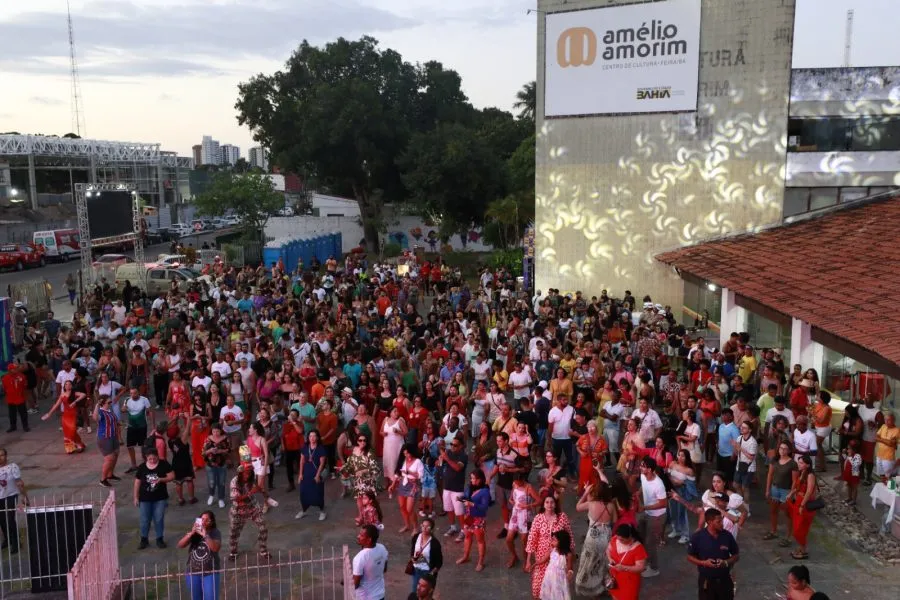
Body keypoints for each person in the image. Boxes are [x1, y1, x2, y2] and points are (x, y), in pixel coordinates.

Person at [525, 494, 574, 600]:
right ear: (543, 504)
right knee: (537, 587)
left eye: (552, 502)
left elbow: (569, 536)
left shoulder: (562, 517)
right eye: (547, 502)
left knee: (555, 588)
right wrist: (528, 560)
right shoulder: (538, 518)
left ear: (555, 504)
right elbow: (531, 539)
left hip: (559, 555)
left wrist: (571, 556)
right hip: (541, 554)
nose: (549, 505)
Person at [574, 478, 617, 597]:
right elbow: (615, 520)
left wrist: (586, 492)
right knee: (602, 563)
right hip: (606, 536)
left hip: (592, 537)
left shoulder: (591, 504)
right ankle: (603, 586)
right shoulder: (611, 506)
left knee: (589, 562)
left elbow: (578, 507)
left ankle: (589, 587)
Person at [687, 508, 740, 600]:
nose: (722, 524)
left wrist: (726, 562)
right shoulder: (698, 537)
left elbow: (736, 555)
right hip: (706, 581)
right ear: (709, 522)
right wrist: (704, 563)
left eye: (722, 521)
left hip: (725, 580)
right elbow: (689, 556)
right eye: (718, 522)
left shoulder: (727, 535)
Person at [134, 449, 174, 549]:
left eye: (154, 458)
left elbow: (172, 476)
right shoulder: (142, 467)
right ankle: (144, 539)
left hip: (160, 498)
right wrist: (136, 497)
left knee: (159, 518)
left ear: (157, 456)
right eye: (150, 459)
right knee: (144, 519)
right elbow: (137, 482)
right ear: (146, 458)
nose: (152, 460)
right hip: (144, 498)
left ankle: (159, 538)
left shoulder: (164, 464)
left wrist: (161, 479)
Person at [177, 510, 222, 600]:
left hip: (210, 572)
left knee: (210, 597)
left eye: (207, 520)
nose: (204, 522)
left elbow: (215, 548)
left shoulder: (215, 532)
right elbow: (180, 545)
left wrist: (205, 535)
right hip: (193, 571)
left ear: (211, 522)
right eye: (202, 519)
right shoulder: (195, 533)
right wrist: (191, 534)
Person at [228, 464, 269, 560]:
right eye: (246, 473)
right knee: (234, 532)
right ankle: (233, 552)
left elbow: (258, 488)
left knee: (263, 527)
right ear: (241, 473)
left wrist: (266, 496)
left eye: (250, 473)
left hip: (252, 506)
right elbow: (237, 499)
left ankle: (263, 550)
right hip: (238, 510)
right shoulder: (234, 482)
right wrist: (251, 492)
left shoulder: (251, 478)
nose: (248, 475)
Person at [455, 468, 491, 571]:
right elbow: (466, 497)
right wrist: (461, 499)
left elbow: (484, 507)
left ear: (480, 479)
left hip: (478, 518)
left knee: (480, 540)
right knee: (467, 536)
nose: (472, 480)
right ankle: (466, 556)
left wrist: (472, 504)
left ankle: (480, 562)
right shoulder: (470, 487)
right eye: (471, 478)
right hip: (469, 517)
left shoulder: (485, 491)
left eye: (474, 478)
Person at [636, 456, 665, 577]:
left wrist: (645, 508)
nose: (640, 467)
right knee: (641, 536)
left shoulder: (658, 484)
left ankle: (654, 568)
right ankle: (646, 561)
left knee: (650, 542)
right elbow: (643, 485)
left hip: (657, 516)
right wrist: (639, 492)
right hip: (647, 513)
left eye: (643, 466)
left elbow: (663, 503)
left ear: (650, 469)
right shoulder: (643, 476)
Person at [505, 471, 542, 569]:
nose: (517, 484)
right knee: (508, 539)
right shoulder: (514, 484)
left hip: (525, 515)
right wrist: (511, 501)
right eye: (515, 482)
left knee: (524, 540)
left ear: (522, 480)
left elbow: (539, 501)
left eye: (518, 482)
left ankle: (526, 561)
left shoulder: (529, 487)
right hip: (515, 514)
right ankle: (514, 556)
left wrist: (527, 506)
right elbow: (512, 497)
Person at [764, 440, 798, 544]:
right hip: (775, 488)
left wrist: (791, 493)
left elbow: (795, 481)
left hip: (786, 490)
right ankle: (773, 531)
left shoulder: (792, 464)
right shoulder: (774, 460)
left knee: (787, 514)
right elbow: (770, 475)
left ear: (789, 451)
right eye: (781, 448)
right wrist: (767, 489)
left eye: (785, 449)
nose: (782, 451)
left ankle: (789, 536)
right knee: (773, 511)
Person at [41, 380, 87, 453]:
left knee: (73, 430)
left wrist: (75, 402)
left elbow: (83, 394)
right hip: (65, 416)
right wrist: (49, 413)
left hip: (73, 414)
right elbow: (56, 405)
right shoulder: (62, 395)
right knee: (67, 432)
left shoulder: (74, 393)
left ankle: (79, 445)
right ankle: (70, 448)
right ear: (64, 386)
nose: (68, 386)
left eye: (69, 384)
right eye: (66, 384)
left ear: (72, 386)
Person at [787, 455, 818, 560]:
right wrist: (791, 493)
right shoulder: (802, 473)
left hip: (804, 504)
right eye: (799, 462)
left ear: (807, 465)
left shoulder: (810, 475)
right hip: (798, 502)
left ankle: (803, 549)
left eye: (801, 463)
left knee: (800, 528)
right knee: (797, 526)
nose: (799, 464)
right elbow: (798, 487)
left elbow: (809, 491)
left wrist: (802, 505)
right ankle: (801, 547)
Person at [605, 523, 647, 600]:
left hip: (629, 582)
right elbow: (608, 549)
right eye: (618, 538)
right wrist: (610, 558)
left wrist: (624, 568)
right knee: (615, 596)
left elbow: (640, 567)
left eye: (622, 540)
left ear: (630, 536)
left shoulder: (638, 548)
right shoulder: (615, 538)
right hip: (615, 578)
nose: (619, 540)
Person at [0, 449, 29, 554]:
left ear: (6, 456)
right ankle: (7, 539)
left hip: (11, 495)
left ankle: (16, 542)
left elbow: (19, 483)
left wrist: (24, 496)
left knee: (10, 519)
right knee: (2, 520)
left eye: (2, 455)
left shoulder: (12, 467)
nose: (0, 458)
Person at [390, 443, 423, 533]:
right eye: (404, 453)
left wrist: (409, 473)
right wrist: (392, 485)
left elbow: (420, 475)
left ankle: (415, 527)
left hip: (412, 486)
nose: (406, 455)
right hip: (402, 484)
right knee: (402, 507)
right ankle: (407, 525)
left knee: (409, 509)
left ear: (411, 452)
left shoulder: (418, 461)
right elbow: (397, 473)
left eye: (407, 453)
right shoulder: (403, 460)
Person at [439, 435, 468, 540]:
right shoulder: (449, 453)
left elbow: (457, 468)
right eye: (451, 444)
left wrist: (447, 459)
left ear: (461, 446)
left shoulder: (463, 456)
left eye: (455, 445)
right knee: (449, 509)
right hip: (447, 486)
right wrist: (440, 459)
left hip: (457, 488)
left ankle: (463, 530)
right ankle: (453, 527)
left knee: (459, 512)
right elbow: (440, 463)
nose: (452, 447)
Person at [352, 524, 389, 600]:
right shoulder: (382, 548)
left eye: (361, 535)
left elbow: (355, 585)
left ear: (369, 539)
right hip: (380, 595)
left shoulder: (360, 558)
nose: (358, 536)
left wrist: (346, 581)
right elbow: (384, 569)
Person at [297, 429, 327, 521]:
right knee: (303, 492)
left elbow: (322, 464)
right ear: (308, 437)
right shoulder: (305, 447)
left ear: (317, 437)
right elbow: (302, 461)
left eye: (314, 436)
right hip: (306, 472)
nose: (312, 438)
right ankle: (304, 510)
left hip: (316, 472)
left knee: (318, 493)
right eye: (310, 436)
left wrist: (317, 475)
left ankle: (322, 511)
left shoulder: (321, 449)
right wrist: (300, 474)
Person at [123, 387, 155, 473]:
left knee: (143, 446)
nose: (133, 395)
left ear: (138, 393)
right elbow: (122, 409)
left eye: (135, 393)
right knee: (130, 446)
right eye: (131, 393)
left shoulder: (144, 400)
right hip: (131, 426)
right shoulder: (127, 400)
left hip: (142, 426)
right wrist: (124, 408)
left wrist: (153, 426)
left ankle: (146, 464)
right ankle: (134, 465)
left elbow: (150, 412)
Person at [408, 517, 443, 594]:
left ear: (431, 529)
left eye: (427, 526)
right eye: (423, 526)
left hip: (427, 572)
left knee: (426, 594)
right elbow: (413, 550)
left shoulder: (435, 543)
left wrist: (431, 574)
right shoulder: (416, 537)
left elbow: (439, 562)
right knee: (415, 593)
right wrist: (413, 558)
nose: (424, 528)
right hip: (416, 570)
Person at [537, 529, 574, 600]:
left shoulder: (568, 555)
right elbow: (543, 560)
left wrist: (570, 573)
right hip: (549, 577)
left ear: (562, 542)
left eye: (554, 540)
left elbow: (570, 567)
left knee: (558, 595)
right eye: (552, 539)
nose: (552, 541)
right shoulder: (552, 550)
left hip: (560, 580)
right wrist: (534, 564)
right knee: (549, 594)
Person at [93, 394, 121, 487]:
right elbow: (95, 418)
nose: (110, 403)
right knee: (109, 458)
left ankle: (110, 475)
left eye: (110, 402)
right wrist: (97, 405)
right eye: (109, 402)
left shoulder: (109, 411)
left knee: (116, 454)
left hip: (113, 437)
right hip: (104, 438)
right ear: (103, 403)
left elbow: (114, 422)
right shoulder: (100, 412)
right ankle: (103, 480)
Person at [169, 417, 198, 505]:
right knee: (189, 480)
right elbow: (188, 428)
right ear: (177, 433)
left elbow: (170, 427)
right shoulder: (182, 440)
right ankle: (191, 498)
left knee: (178, 482)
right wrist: (188, 418)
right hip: (186, 462)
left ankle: (180, 499)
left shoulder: (170, 441)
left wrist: (175, 418)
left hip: (176, 462)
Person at [203, 424, 230, 508]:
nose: (215, 433)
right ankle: (211, 495)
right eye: (213, 431)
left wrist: (221, 451)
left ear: (221, 431)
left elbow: (229, 450)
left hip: (222, 464)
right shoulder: (208, 439)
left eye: (217, 431)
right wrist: (210, 450)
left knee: (221, 482)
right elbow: (203, 452)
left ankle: (221, 498)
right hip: (210, 465)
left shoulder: (225, 438)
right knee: (211, 482)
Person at [2, 363, 30, 433]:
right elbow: (4, 388)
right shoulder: (5, 378)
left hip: (20, 398)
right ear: (10, 370)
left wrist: (25, 397)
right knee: (12, 414)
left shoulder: (22, 376)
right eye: (14, 368)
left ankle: (25, 426)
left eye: (16, 368)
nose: (16, 369)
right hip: (10, 399)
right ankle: (13, 426)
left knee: (23, 413)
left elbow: (25, 387)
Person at [874, 412, 899, 482]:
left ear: (893, 420)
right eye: (885, 420)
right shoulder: (883, 426)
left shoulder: (897, 430)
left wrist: (880, 439)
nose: (886, 422)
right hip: (879, 455)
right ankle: (883, 486)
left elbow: (892, 444)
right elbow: (876, 437)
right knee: (881, 475)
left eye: (889, 420)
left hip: (888, 458)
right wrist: (887, 441)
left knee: (888, 477)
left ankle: (888, 487)